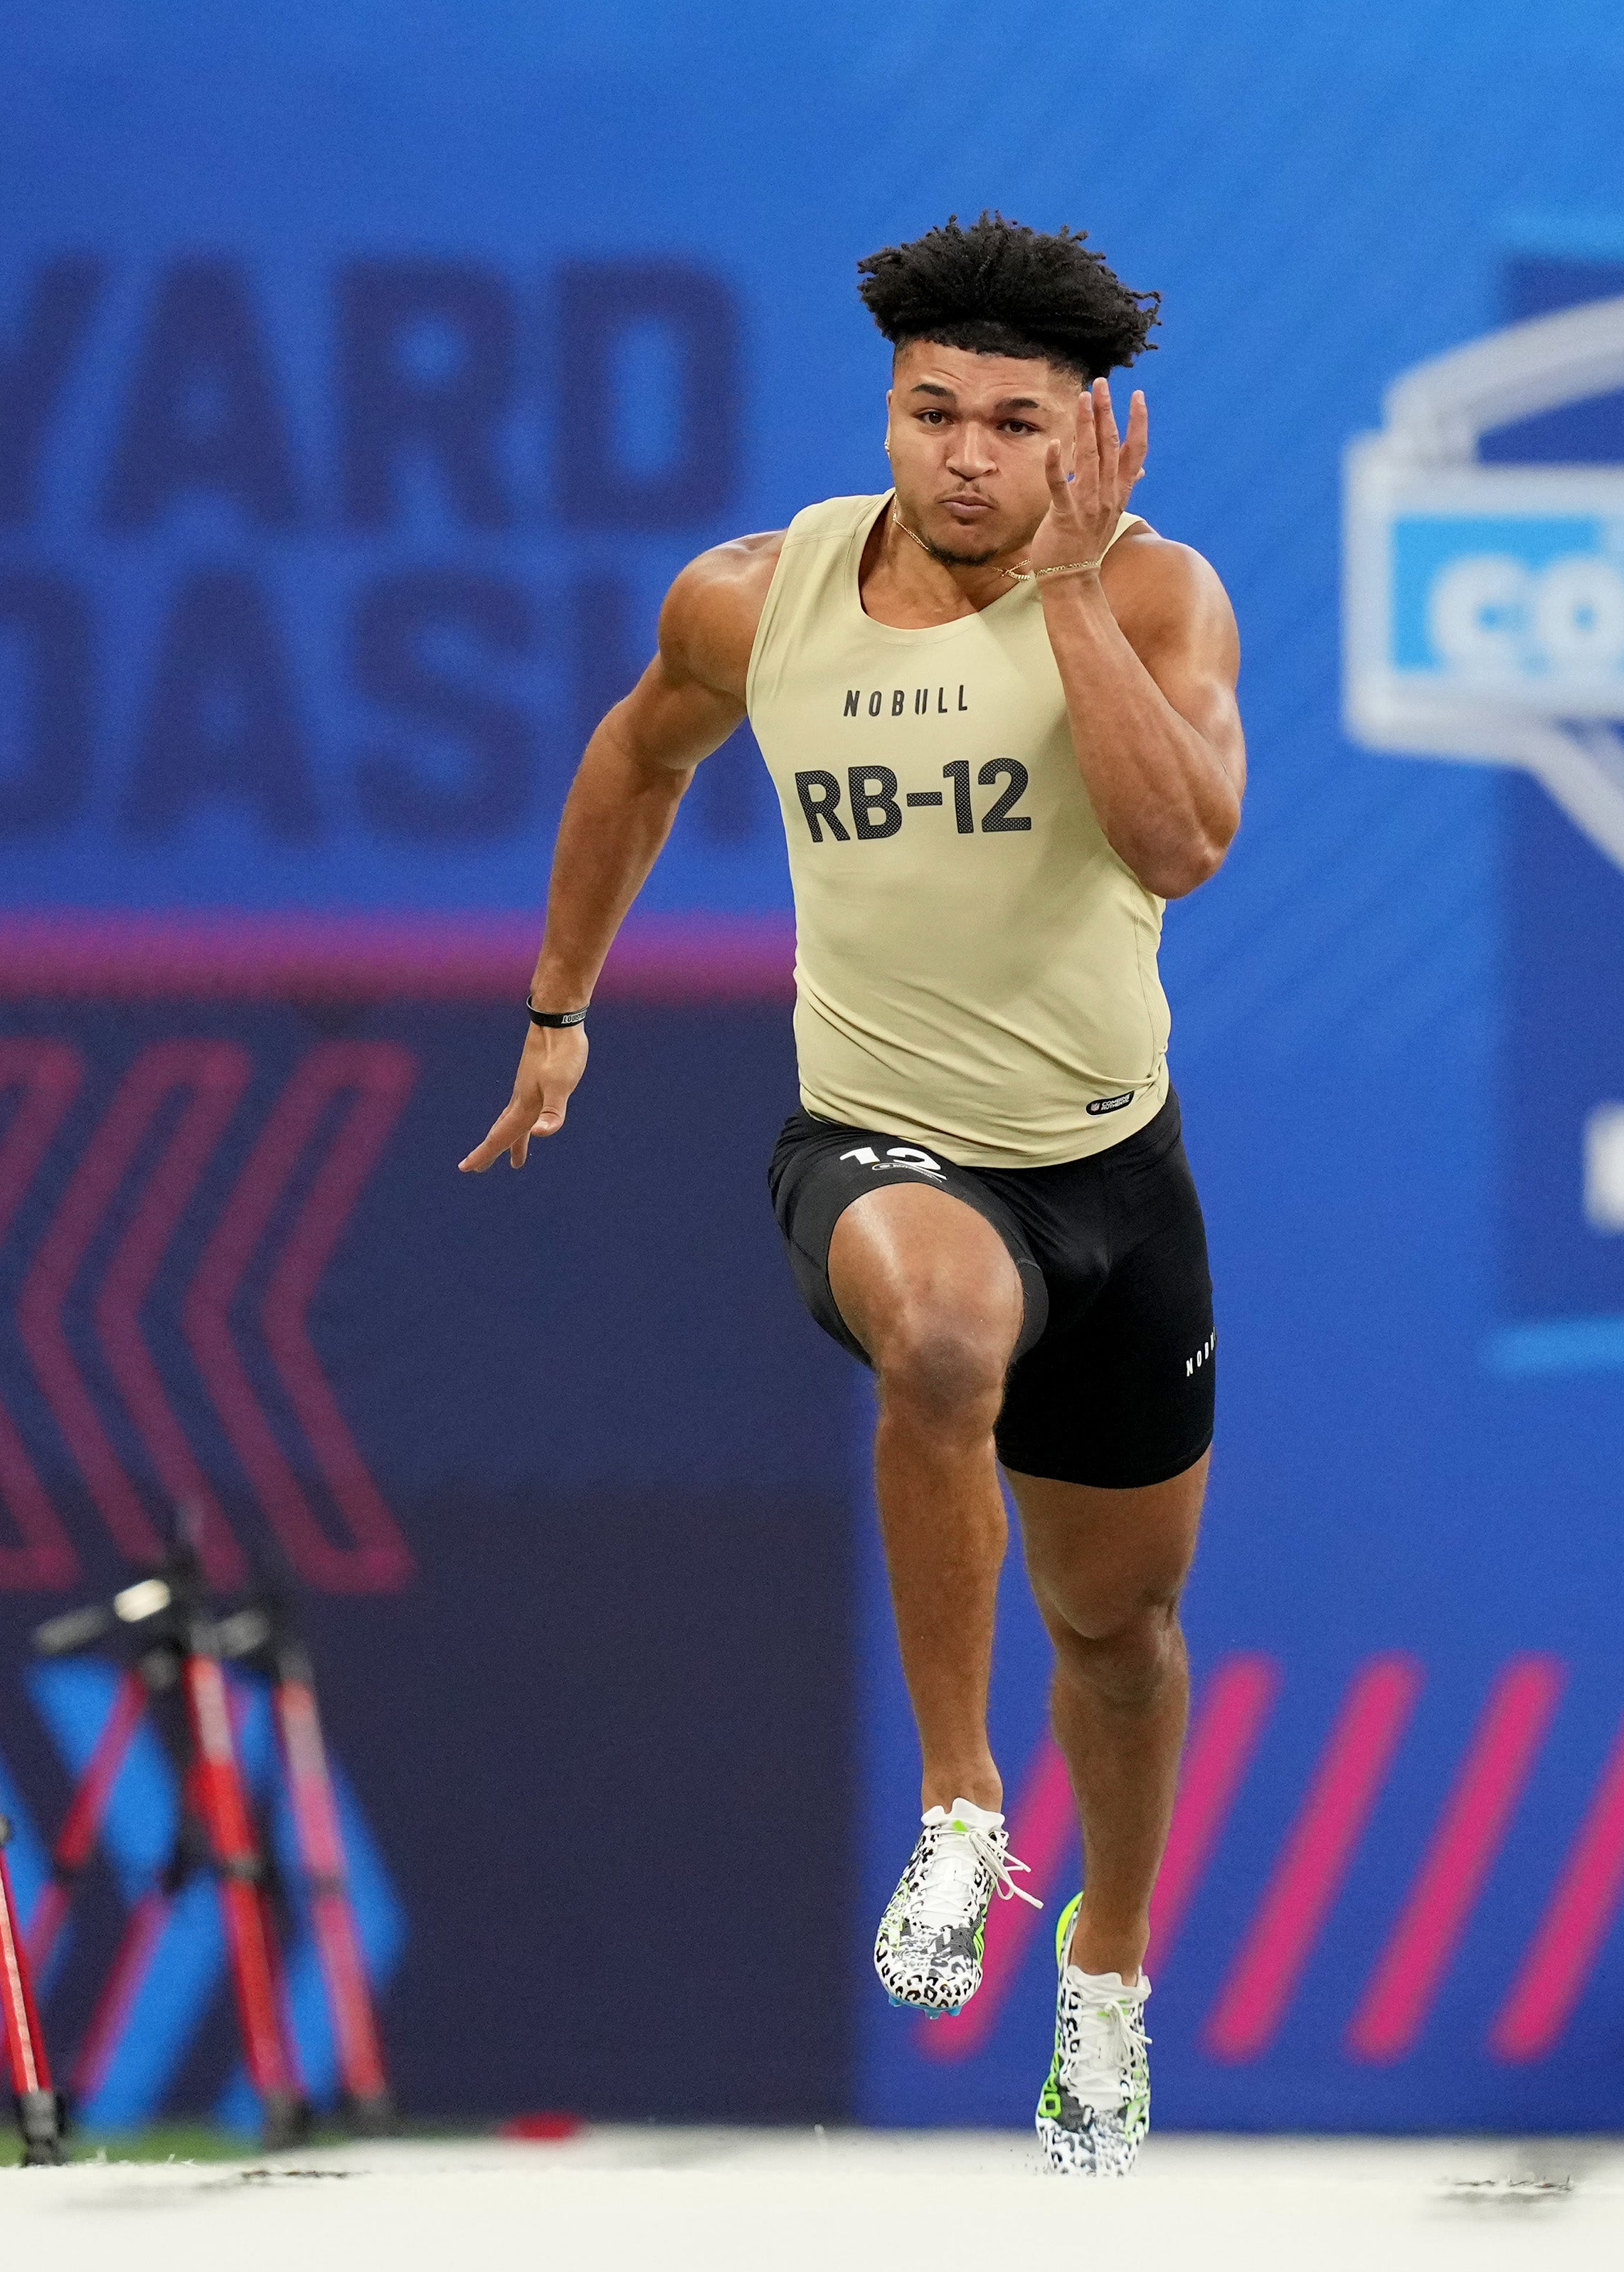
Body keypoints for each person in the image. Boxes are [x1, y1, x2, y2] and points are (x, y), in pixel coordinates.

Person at [460, 213, 1242, 2175]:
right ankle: (963, 1812)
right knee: (942, 1330)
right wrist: (561, 1006)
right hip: (878, 1138)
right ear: (887, 412)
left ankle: (1111, 1974)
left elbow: (1184, 845)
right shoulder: (757, 595)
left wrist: (1065, 596)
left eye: (1013, 425)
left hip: (1107, 1170)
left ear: (1088, 438)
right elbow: (636, 763)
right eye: (932, 413)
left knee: (1123, 1630)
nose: (967, 457)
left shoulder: (1154, 596)